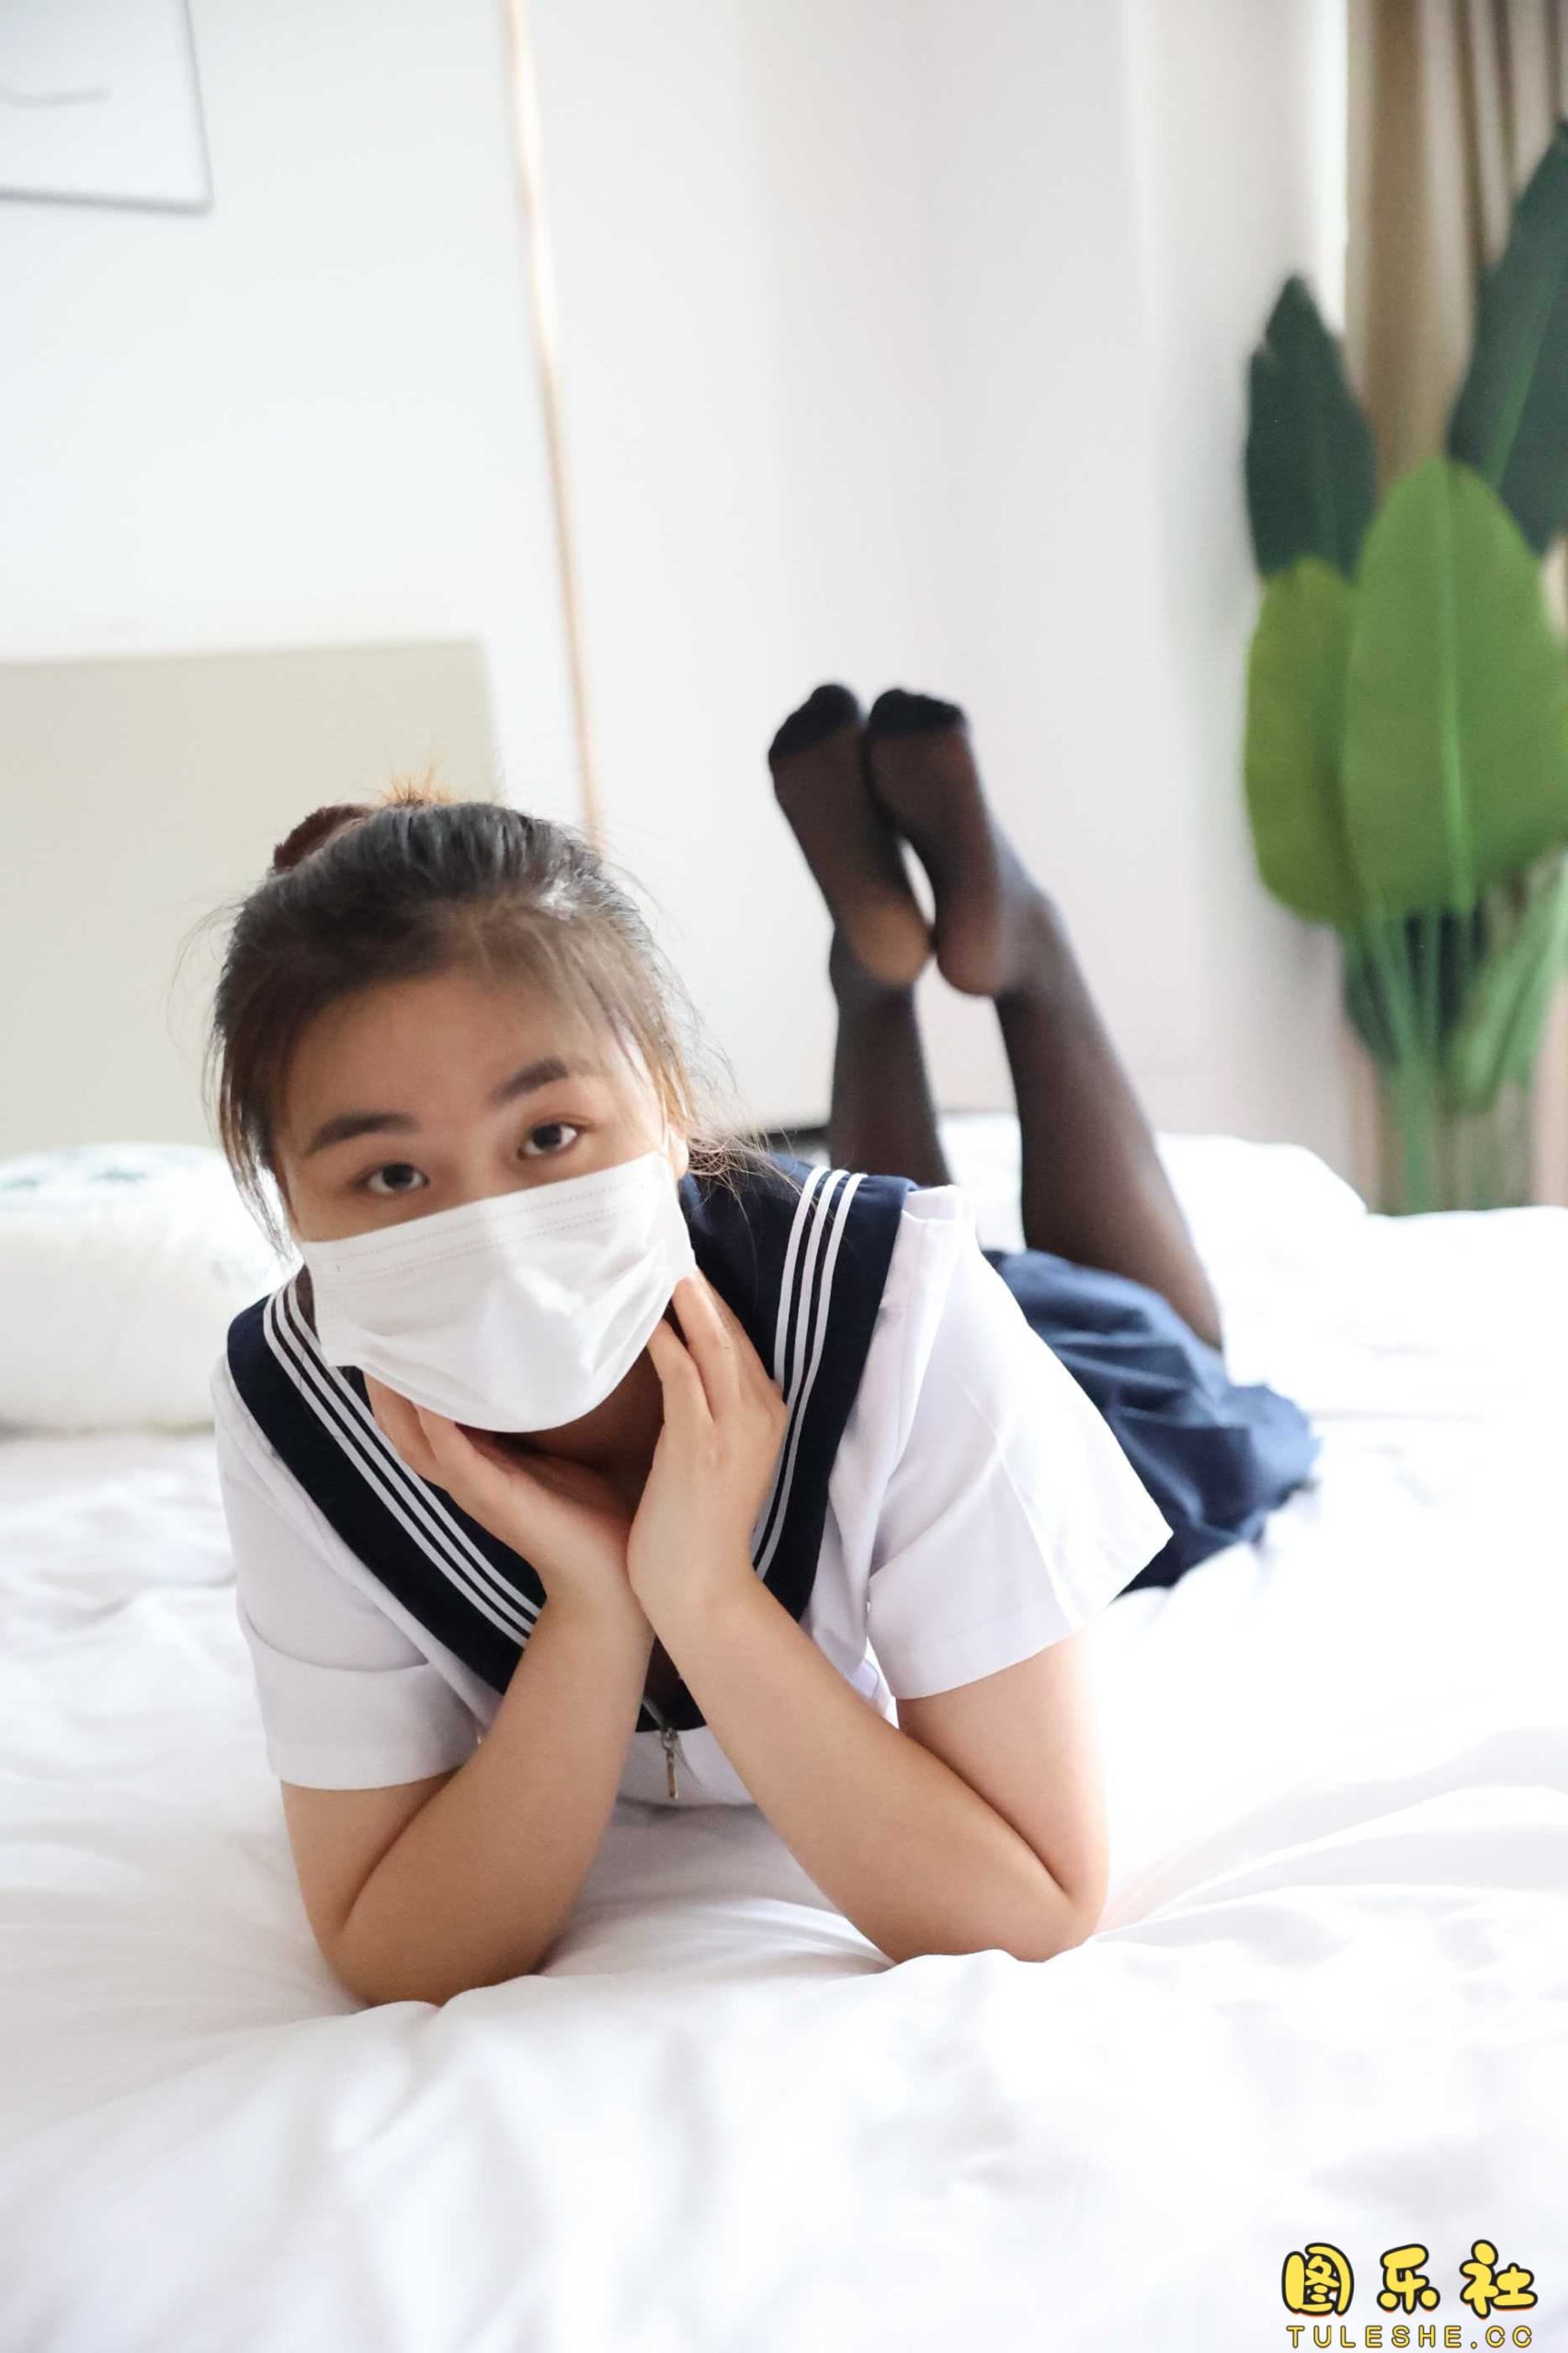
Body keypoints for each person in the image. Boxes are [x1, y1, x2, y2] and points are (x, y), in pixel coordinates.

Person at [205, 682, 1318, 2006]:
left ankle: (1015, 956)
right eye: (391, 1177)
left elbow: (1029, 1903)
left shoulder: (908, 1309)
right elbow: (393, 1951)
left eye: (549, 1136)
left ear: (671, 1104)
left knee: (1152, 1335)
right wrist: (600, 1605)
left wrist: (709, 1600)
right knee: (883, 1245)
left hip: (1033, 1368)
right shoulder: (297, 1409)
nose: (496, 1236)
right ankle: (879, 981)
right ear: (286, 1201)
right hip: (818, 1272)